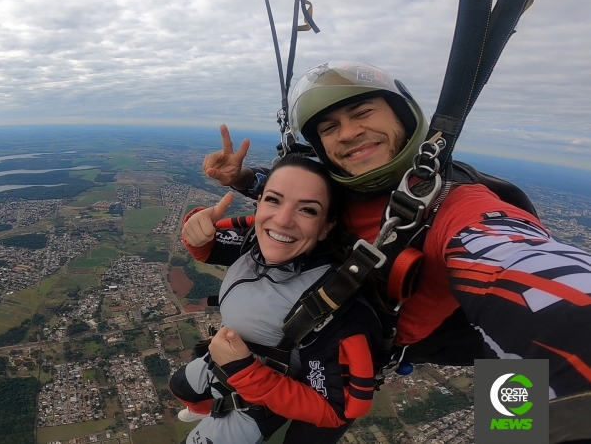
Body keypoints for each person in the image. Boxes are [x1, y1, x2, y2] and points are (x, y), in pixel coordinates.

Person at [197, 62, 591, 443]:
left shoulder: (459, 208)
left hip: (455, 340)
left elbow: (527, 271)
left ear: (403, 118)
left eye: (362, 113)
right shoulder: (345, 188)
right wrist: (246, 180)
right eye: (330, 128)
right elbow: (301, 201)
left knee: (516, 417)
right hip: (334, 336)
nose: (348, 133)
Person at [170, 154, 382, 444]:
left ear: (327, 226)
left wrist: (243, 372)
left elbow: (334, 411)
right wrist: (197, 235)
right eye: (273, 200)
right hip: (227, 359)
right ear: (259, 203)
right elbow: (209, 248)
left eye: (307, 210)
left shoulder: (331, 303)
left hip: (263, 394)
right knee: (179, 386)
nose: (282, 221)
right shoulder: (256, 242)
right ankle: (203, 409)